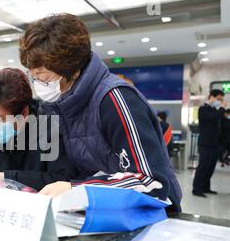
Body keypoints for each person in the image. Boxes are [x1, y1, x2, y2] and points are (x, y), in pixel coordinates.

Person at [19, 13, 182, 212]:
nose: (39, 86)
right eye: (33, 77)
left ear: (74, 70)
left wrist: (76, 189)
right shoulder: (63, 105)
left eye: (44, 79)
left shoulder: (116, 98)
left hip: (148, 215)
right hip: (103, 210)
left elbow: (150, 181)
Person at [192, 90, 227, 197]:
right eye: (219, 99)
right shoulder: (203, 109)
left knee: (210, 167)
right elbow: (213, 117)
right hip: (205, 144)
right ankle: (197, 189)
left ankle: (206, 187)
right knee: (203, 166)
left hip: (216, 144)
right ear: (211, 97)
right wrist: (222, 108)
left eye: (221, 99)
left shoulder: (214, 110)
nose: (220, 101)